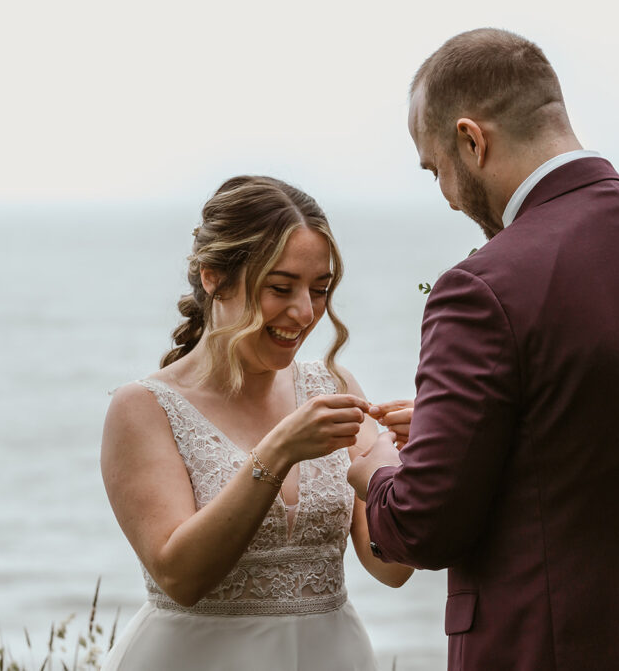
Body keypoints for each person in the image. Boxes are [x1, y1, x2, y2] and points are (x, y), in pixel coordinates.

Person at [348, 28, 619, 670]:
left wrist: (376, 466)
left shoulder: (481, 288)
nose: (444, 193)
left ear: (472, 139)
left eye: (436, 168)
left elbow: (422, 525)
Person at [101, 175, 412, 671]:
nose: (305, 312)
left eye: (320, 289)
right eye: (281, 287)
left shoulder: (333, 386)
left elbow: (390, 567)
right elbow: (179, 578)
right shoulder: (143, 407)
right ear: (213, 277)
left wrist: (419, 460)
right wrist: (278, 450)